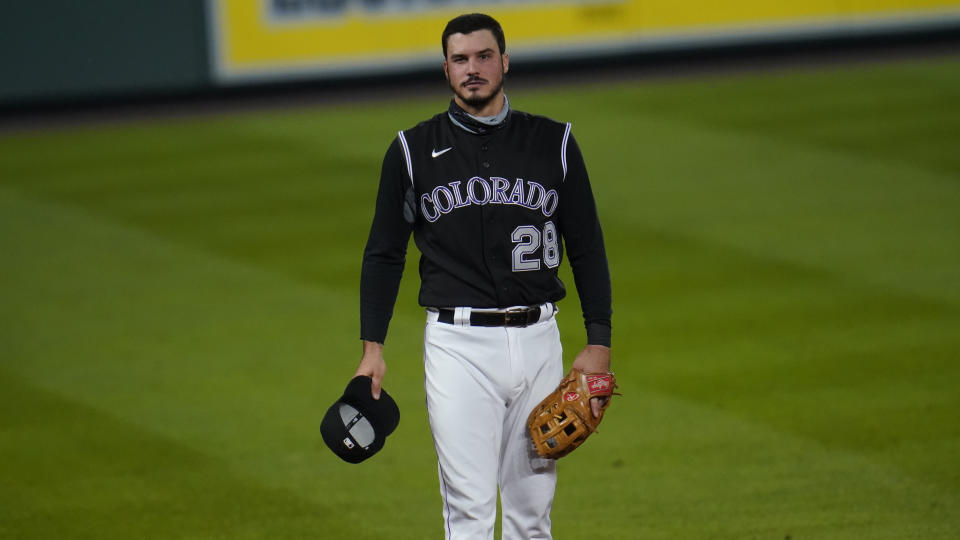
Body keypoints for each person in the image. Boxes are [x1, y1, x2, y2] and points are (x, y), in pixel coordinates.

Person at [353, 12, 612, 539]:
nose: (473, 69)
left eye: (484, 56)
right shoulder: (411, 152)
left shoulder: (554, 143)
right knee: (470, 512)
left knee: (531, 515)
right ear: (446, 70)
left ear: (505, 62)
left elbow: (586, 247)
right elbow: (384, 254)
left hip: (541, 341)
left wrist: (599, 342)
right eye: (460, 59)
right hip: (459, 347)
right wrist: (371, 349)